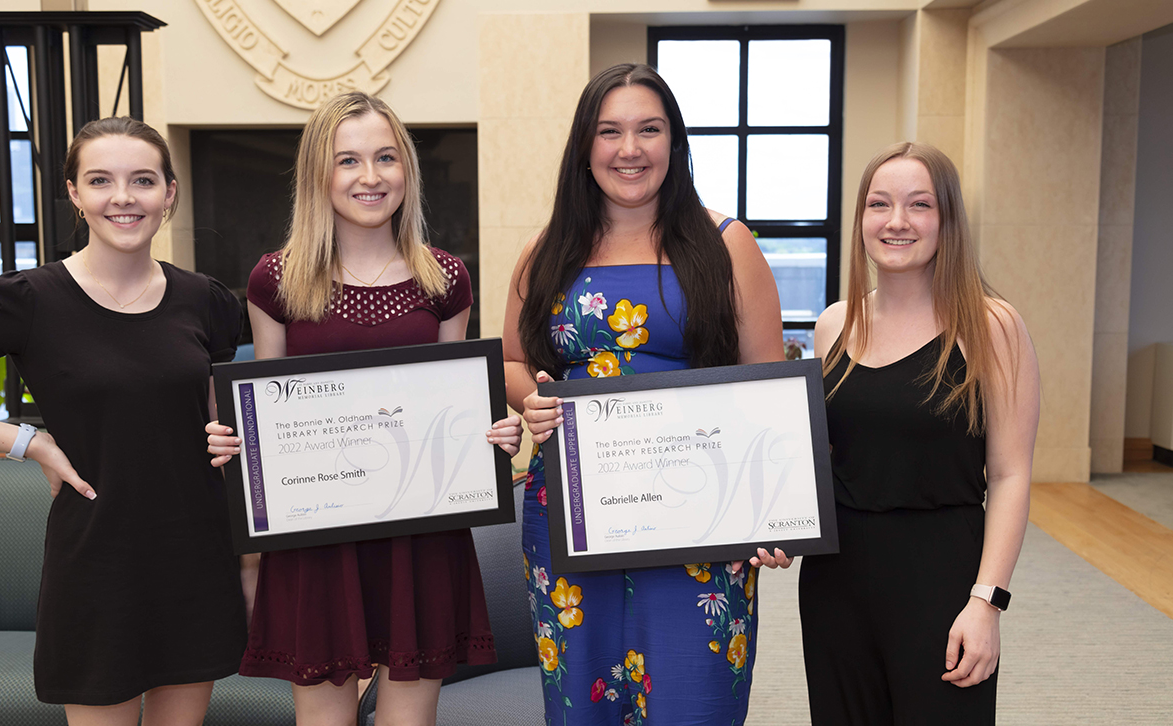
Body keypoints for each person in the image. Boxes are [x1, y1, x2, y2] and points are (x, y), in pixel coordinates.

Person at [203, 91, 522, 726]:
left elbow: (450, 406)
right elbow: (266, 401)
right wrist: (237, 443)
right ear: (319, 174)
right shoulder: (277, 279)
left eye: (385, 157)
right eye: (348, 161)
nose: (370, 177)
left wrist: (491, 434)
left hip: (420, 533)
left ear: (408, 168)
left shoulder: (445, 278)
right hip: (317, 533)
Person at [0, 117, 247, 724]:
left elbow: (215, 418)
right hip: (97, 558)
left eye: (142, 180)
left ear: (169, 192)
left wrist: (231, 438)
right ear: (74, 193)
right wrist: (31, 443)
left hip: (195, 553)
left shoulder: (207, 299)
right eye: (101, 180)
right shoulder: (27, 299)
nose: (123, 197)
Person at [503, 63, 791, 726]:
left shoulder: (727, 244)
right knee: (583, 705)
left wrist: (775, 515)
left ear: (675, 142)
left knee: (694, 701)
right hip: (571, 517)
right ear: (584, 146)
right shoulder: (543, 251)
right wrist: (532, 400)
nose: (629, 149)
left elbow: (767, 393)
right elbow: (516, 362)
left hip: (700, 520)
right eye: (610, 131)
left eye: (648, 129)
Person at [784, 141, 1039, 724]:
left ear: (946, 219)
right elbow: (819, 463)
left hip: (943, 579)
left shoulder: (992, 325)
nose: (896, 221)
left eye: (918, 204)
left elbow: (1009, 475)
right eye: (879, 204)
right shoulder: (834, 324)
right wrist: (776, 524)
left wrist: (987, 603)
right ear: (861, 220)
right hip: (836, 583)